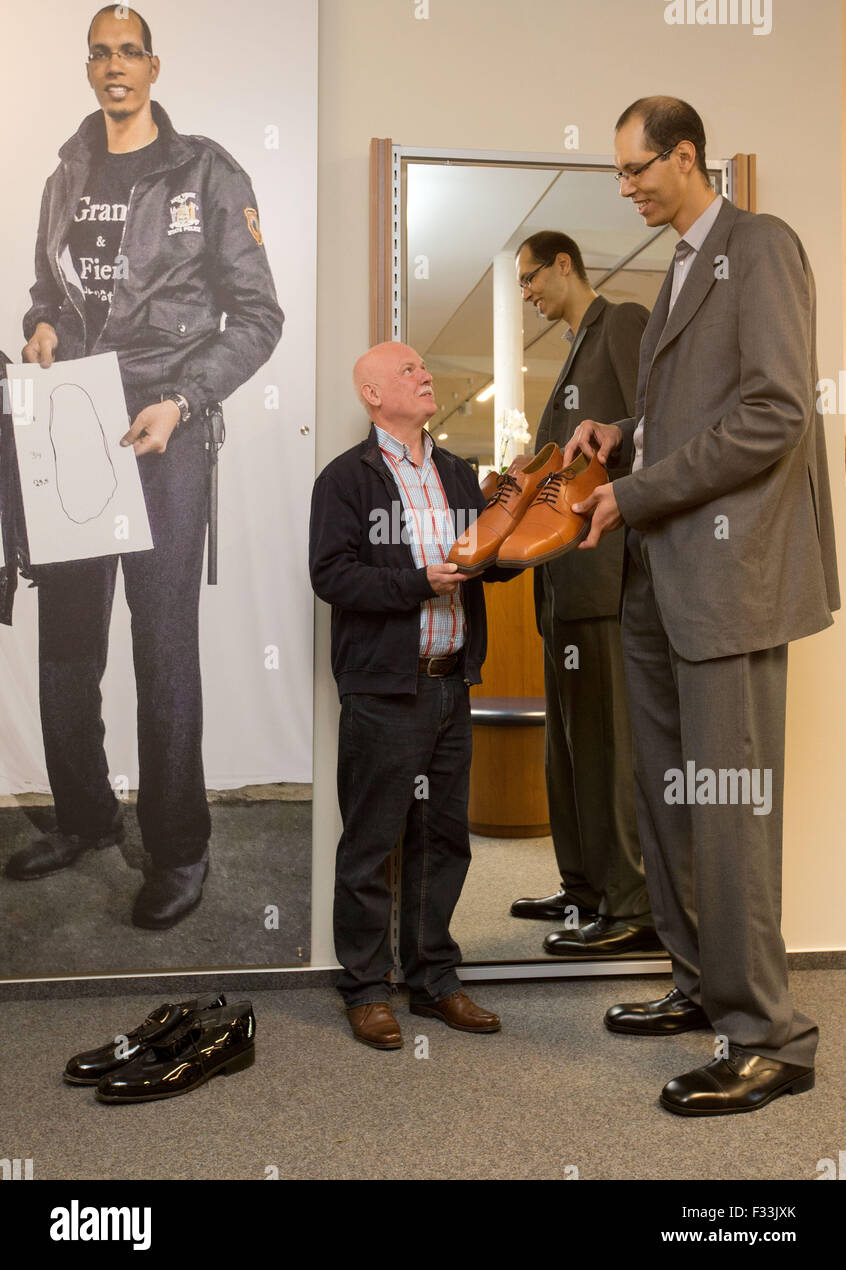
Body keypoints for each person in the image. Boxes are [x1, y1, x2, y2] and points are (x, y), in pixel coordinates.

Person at [562, 95, 839, 1116]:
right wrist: (621, 434)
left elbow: (772, 412)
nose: (625, 187)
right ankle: (700, 982)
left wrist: (629, 492)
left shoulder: (759, 245)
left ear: (687, 158)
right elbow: (697, 412)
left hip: (729, 584)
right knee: (666, 798)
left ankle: (772, 1036)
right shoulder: (680, 264)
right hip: (660, 579)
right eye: (619, 173)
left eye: (637, 169)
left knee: (727, 812)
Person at [5, 5, 283, 929]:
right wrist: (39, 325)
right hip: (71, 424)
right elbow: (50, 292)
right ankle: (85, 816)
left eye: (129, 52)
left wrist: (188, 400)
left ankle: (179, 847)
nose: (114, 66)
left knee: (162, 650)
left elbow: (257, 317)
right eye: (100, 53)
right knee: (67, 644)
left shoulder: (206, 170)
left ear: (154, 65)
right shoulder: (66, 171)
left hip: (165, 431)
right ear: (88, 67)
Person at [309, 340, 511, 1049]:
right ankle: (365, 988)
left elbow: (492, 566)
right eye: (409, 370)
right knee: (370, 844)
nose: (426, 375)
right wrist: (416, 581)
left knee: (441, 840)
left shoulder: (459, 473)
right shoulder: (346, 480)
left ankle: (433, 980)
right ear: (372, 393)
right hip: (383, 693)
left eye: (426, 366)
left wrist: (528, 520)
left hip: (451, 687)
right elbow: (332, 576)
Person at [510, 230, 660, 957]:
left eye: (531, 278)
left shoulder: (622, 323)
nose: (527, 294)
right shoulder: (569, 350)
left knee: (608, 748)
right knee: (567, 749)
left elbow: (653, 432)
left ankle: (631, 906)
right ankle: (583, 892)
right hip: (562, 585)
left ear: (564, 263)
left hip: (606, 576)